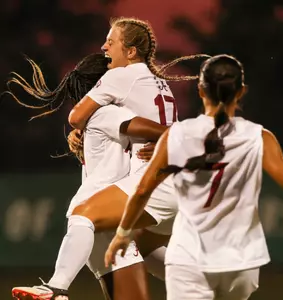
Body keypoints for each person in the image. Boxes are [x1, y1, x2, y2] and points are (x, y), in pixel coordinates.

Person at [103, 54, 283, 300]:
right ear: (241, 91)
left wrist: (122, 234)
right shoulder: (258, 136)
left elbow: (143, 190)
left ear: (200, 90)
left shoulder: (176, 135)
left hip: (190, 257)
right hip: (240, 261)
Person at [7, 53, 167, 300]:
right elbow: (158, 131)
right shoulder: (108, 113)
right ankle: (56, 288)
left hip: (100, 225)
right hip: (102, 216)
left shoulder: (94, 118)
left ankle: (56, 289)